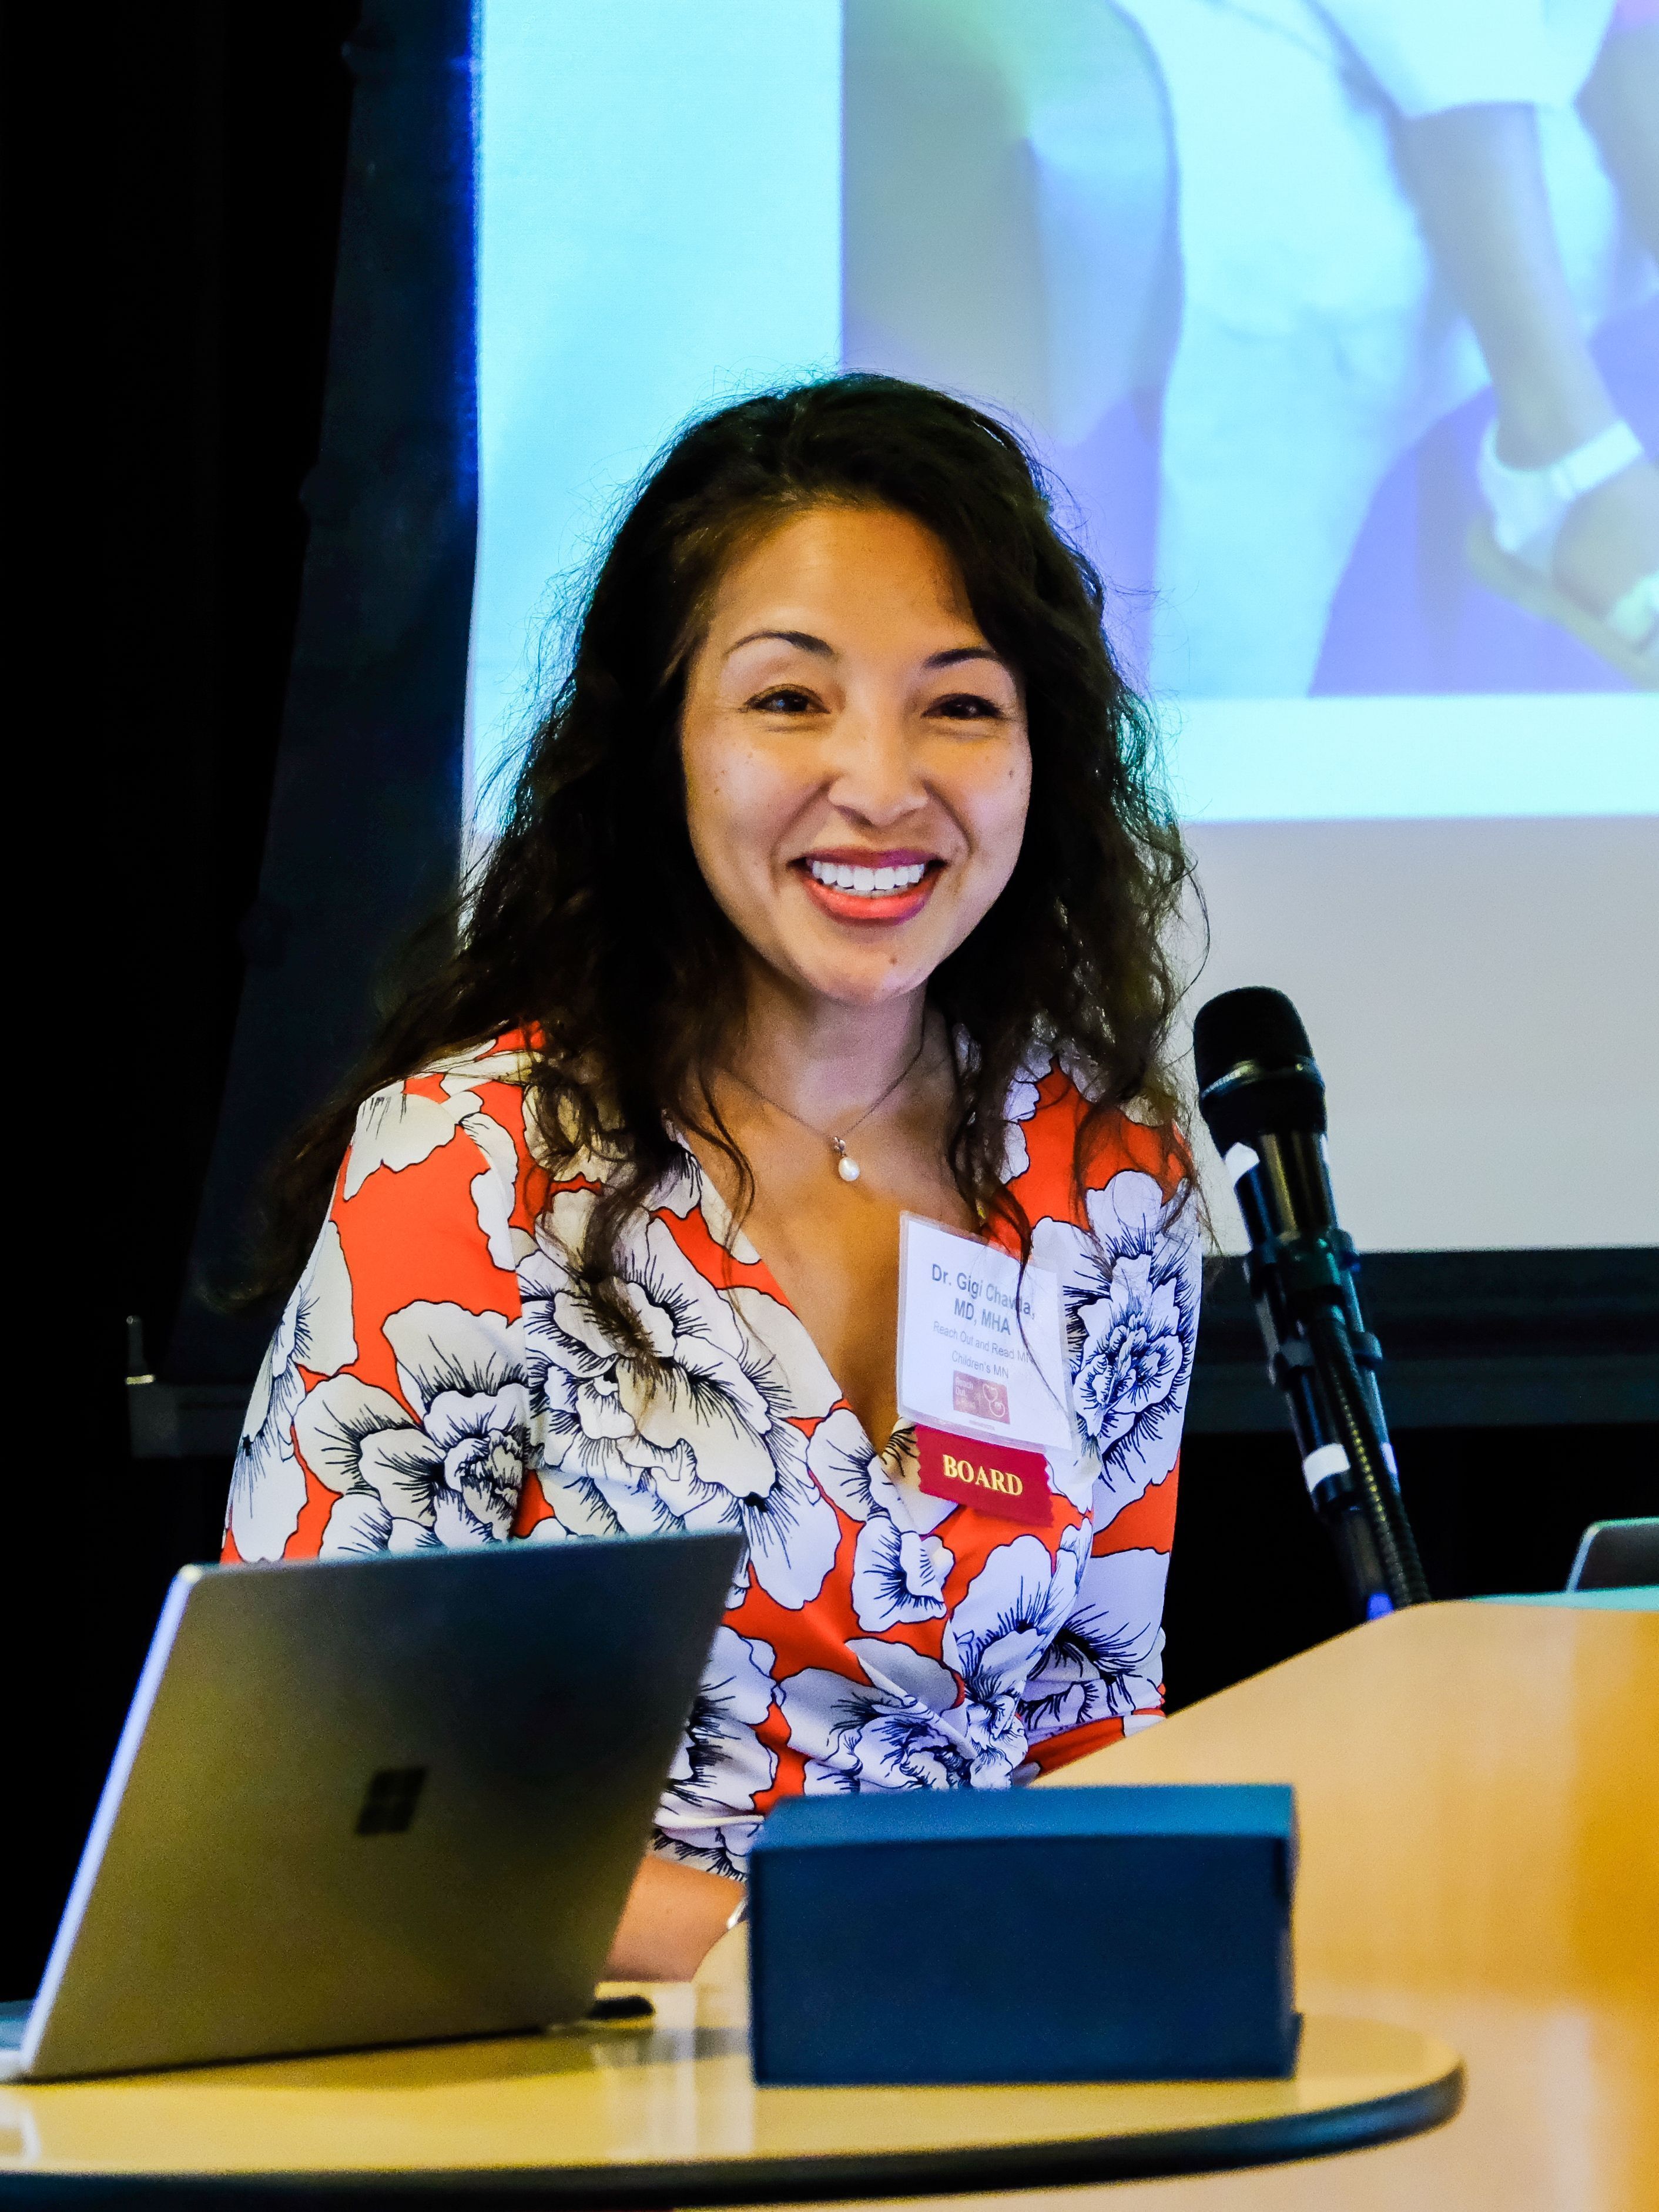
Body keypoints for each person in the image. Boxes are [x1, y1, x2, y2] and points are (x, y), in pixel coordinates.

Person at [227, 376, 1201, 1980]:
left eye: (960, 704)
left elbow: (1091, 1711)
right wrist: (807, 1948)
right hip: (573, 2084)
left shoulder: (1110, 1185)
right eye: (790, 701)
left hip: (985, 2059)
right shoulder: (471, 1163)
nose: (884, 783)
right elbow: (325, 1780)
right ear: (662, 738)